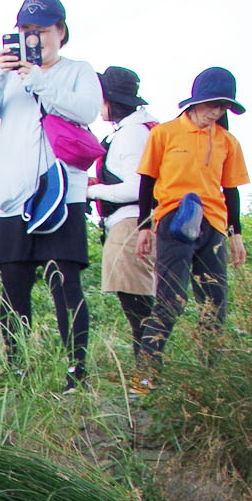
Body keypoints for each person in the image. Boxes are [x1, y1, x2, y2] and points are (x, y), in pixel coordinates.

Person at [0, 0, 103, 385]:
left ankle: (75, 370)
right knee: (13, 287)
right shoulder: (10, 76)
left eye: (42, 31)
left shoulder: (79, 70)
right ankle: (17, 370)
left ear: (60, 32)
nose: (34, 39)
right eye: (26, 31)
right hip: (14, 198)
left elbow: (87, 111)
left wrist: (41, 81)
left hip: (62, 196)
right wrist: (0, 74)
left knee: (66, 282)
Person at [136, 68, 250, 364]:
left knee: (215, 303)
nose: (218, 111)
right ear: (197, 101)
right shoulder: (164, 133)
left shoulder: (228, 142)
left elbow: (231, 190)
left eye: (224, 107)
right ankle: (146, 375)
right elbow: (147, 180)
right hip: (174, 220)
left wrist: (236, 234)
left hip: (213, 223)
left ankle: (207, 375)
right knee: (171, 300)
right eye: (214, 104)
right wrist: (143, 227)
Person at [91, 66, 159, 360]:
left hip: (129, 223)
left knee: (138, 307)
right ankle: (147, 374)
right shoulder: (139, 128)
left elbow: (136, 187)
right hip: (135, 222)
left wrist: (91, 191)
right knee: (140, 305)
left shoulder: (131, 134)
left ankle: (147, 375)